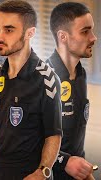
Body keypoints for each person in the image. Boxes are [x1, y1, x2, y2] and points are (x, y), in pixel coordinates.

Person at [0, 1, 62, 179]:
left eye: (9, 30)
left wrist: (42, 173)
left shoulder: (46, 78)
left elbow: (54, 134)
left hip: (29, 174)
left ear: (29, 33)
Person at [46, 2, 97, 180]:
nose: (93, 38)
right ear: (63, 37)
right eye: (85, 31)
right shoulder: (41, 79)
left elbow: (73, 145)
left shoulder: (80, 74)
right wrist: (64, 161)